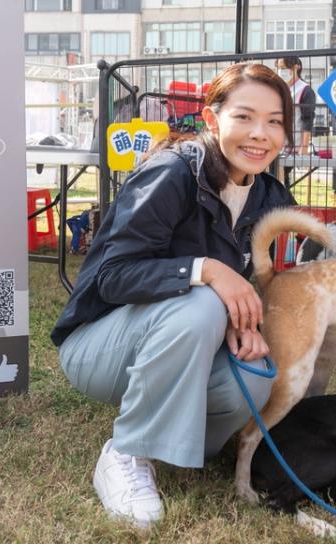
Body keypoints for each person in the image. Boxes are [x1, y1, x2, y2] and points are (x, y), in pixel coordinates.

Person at [51, 62, 296, 527]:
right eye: (243, 117)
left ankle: (171, 442)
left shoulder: (269, 196)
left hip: (181, 335)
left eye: (274, 121)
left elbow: (250, 283)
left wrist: (243, 326)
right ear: (211, 119)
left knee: (256, 372)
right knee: (202, 302)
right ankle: (125, 453)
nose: (259, 133)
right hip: (100, 347)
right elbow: (112, 276)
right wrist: (205, 270)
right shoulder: (172, 174)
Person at [276, 57, 317, 156]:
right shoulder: (278, 89)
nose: (281, 71)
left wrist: (304, 147)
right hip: (276, 145)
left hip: (294, 146)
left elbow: (308, 120)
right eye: (279, 68)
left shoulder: (305, 90)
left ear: (296, 68)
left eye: (284, 68)